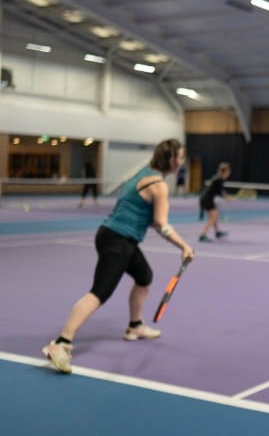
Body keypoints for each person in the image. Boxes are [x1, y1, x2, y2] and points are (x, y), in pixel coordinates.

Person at [43, 138, 194, 374]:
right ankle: (61, 343)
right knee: (99, 293)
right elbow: (161, 225)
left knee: (144, 276)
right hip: (118, 241)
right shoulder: (159, 186)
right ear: (171, 159)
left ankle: (135, 326)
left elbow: (149, 219)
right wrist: (184, 246)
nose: (182, 162)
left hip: (116, 236)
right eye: (181, 157)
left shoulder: (145, 173)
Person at [198, 162, 233, 242]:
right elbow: (220, 192)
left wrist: (227, 196)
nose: (229, 173)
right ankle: (203, 235)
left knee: (214, 216)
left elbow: (221, 191)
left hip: (205, 198)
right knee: (213, 217)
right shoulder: (219, 179)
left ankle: (218, 232)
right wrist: (227, 198)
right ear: (225, 171)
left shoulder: (217, 178)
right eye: (228, 172)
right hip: (207, 199)